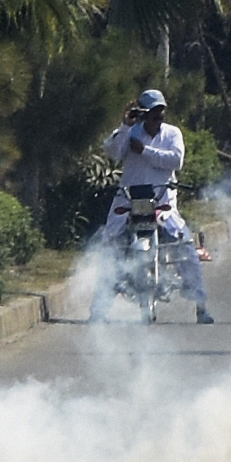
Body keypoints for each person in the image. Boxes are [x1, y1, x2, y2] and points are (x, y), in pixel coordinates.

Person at [95, 89, 211, 323]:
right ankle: (100, 308)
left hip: (162, 201)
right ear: (142, 114)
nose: (158, 117)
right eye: (152, 113)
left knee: (185, 245)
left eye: (161, 112)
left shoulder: (172, 133)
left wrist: (144, 151)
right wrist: (126, 125)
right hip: (129, 200)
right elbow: (113, 152)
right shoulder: (129, 133)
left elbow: (175, 160)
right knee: (110, 245)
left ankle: (200, 306)